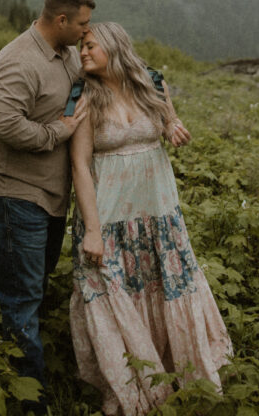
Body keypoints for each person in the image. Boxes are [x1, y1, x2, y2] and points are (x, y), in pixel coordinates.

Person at [70, 22, 232, 416]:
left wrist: (174, 127)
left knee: (164, 287)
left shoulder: (152, 85)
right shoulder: (86, 97)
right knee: (113, 293)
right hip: (107, 218)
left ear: (114, 46)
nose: (84, 53)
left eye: (91, 46)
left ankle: (180, 374)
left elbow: (168, 123)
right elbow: (79, 164)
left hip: (157, 213)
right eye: (81, 47)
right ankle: (131, 392)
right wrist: (91, 231)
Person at [0, 0, 96, 411]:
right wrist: (57, 133)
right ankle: (31, 399)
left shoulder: (66, 54)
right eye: (83, 23)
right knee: (22, 296)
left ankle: (24, 374)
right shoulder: (19, 60)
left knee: (35, 284)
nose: (88, 31)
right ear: (61, 19)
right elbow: (4, 124)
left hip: (49, 194)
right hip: (18, 194)